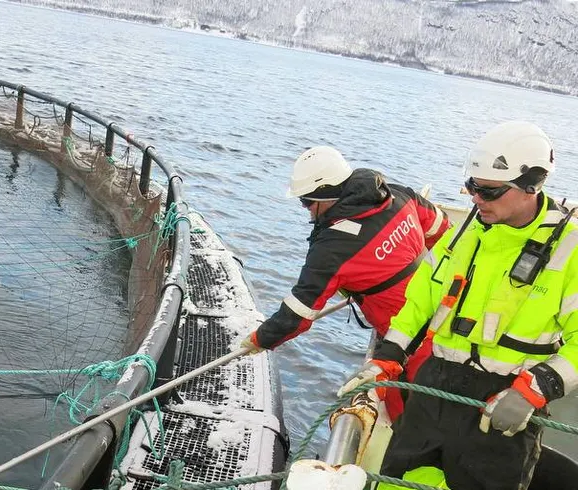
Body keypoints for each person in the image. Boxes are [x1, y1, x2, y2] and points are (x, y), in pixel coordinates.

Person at [337, 121, 578, 490]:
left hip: (505, 405)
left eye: (489, 191)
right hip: (436, 387)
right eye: (471, 188)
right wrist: (389, 354)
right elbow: (422, 299)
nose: (476, 199)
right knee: (395, 482)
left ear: (532, 185)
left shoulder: (570, 248)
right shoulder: (466, 231)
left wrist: (536, 389)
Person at [241, 145, 451, 420]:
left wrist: (258, 340)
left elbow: (297, 316)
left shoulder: (332, 247)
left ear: (325, 195)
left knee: (408, 411)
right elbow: (442, 230)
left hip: (408, 339)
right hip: (449, 310)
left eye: (306, 202)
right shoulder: (398, 194)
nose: (308, 213)